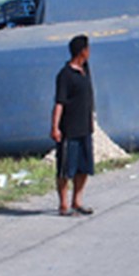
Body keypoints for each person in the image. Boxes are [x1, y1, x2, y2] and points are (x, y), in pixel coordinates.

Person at [50, 35, 96, 217]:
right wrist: (55, 127)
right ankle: (63, 205)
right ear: (82, 51)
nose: (89, 52)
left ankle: (77, 202)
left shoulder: (85, 69)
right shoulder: (65, 75)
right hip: (69, 129)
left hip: (85, 127)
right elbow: (59, 103)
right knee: (66, 169)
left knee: (84, 168)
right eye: (88, 48)